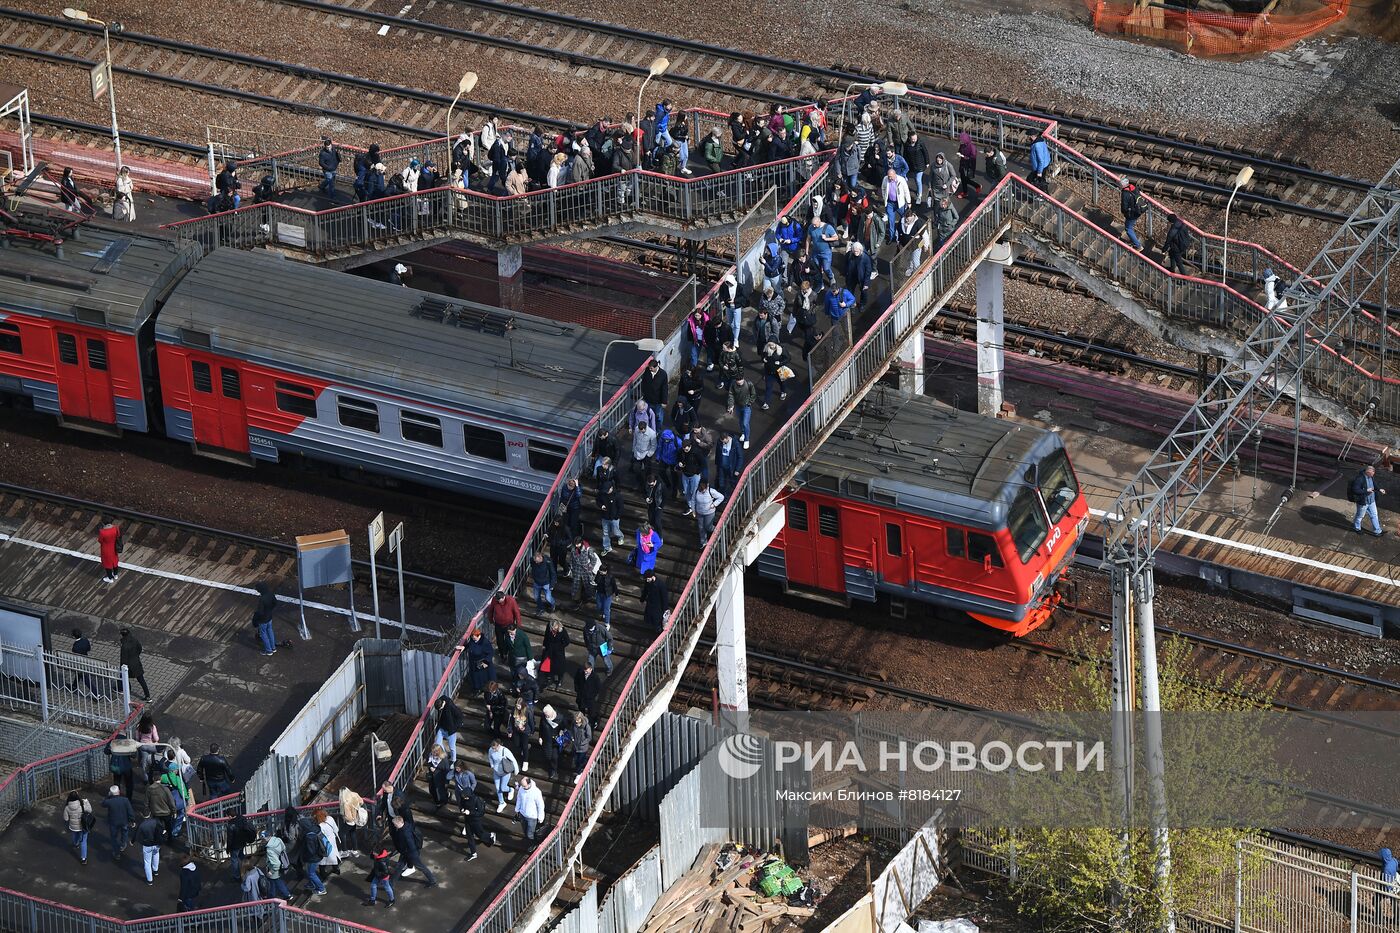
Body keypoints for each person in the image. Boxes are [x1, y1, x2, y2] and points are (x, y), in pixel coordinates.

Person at [460, 787, 497, 860]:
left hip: (476, 821)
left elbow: (481, 813)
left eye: (466, 797)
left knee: (480, 834)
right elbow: (462, 804)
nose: (465, 798)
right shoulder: (463, 799)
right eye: (464, 797)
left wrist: (470, 812)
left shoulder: (476, 800)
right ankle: (473, 853)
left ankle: (490, 835)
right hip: (468, 820)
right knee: (469, 837)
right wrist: (462, 809)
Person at [1350, 465, 1386, 537]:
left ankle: (1378, 531)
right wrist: (1366, 490)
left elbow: (1374, 484)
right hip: (1363, 502)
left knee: (1374, 515)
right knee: (1360, 516)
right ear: (1368, 472)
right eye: (1372, 474)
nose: (1373, 476)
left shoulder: (1371, 477)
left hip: (1371, 501)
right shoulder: (1359, 479)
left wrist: (1379, 489)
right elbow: (1355, 490)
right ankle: (1357, 528)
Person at [101, 785, 135, 863]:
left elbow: (103, 803)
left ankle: (116, 853)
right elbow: (130, 811)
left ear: (111, 793)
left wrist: (108, 796)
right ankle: (123, 844)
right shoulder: (125, 800)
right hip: (124, 821)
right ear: (119, 792)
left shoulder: (109, 801)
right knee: (125, 833)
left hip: (113, 822)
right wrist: (132, 820)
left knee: (114, 837)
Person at [726, 374, 756, 452]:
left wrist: (749, 403)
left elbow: (753, 394)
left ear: (743, 379)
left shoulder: (749, 384)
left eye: (741, 382)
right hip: (738, 406)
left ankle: (747, 439)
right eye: (738, 382)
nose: (739, 383)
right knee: (740, 421)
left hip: (746, 407)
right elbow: (731, 395)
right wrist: (731, 405)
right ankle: (743, 433)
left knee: (745, 423)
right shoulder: (733, 384)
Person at [881, 167, 911, 245]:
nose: (889, 178)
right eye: (888, 176)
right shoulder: (885, 179)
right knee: (891, 221)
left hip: (900, 204)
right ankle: (892, 237)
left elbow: (906, 191)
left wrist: (909, 202)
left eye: (891, 176)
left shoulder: (901, 180)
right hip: (890, 204)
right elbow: (883, 188)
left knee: (904, 219)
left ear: (895, 174)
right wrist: (884, 198)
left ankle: (905, 234)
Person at [488, 590, 521, 659]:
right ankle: (502, 654)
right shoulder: (494, 600)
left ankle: (508, 653)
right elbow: (491, 610)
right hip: (498, 625)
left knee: (508, 640)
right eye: (497, 599)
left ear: (503, 597)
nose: (498, 601)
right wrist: (491, 620)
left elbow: (517, 612)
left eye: (499, 599)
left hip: (509, 625)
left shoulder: (511, 600)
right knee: (500, 641)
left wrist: (518, 625)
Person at [488, 738, 519, 813]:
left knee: (503, 788)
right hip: (496, 772)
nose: (493, 750)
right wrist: (492, 765)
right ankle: (502, 803)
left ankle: (510, 790)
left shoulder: (505, 750)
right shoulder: (491, 750)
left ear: (498, 745)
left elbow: (513, 760)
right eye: (492, 748)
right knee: (498, 788)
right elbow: (490, 757)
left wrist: (516, 770)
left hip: (505, 772)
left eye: (495, 748)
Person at [63, 790, 93, 864]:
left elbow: (66, 818)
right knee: (83, 841)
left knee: (75, 835)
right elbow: (90, 810)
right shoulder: (82, 805)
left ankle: (76, 844)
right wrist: (87, 802)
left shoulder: (67, 807)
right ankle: (83, 858)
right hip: (83, 826)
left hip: (73, 826)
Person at [250, 579, 278, 656]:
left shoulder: (262, 599)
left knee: (263, 634)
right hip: (269, 617)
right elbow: (275, 603)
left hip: (263, 620)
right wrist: (269, 610)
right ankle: (273, 648)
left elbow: (260, 612)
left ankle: (268, 651)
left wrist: (256, 618)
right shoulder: (271, 593)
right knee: (270, 631)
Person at [761, 341, 792, 410]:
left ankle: (783, 392)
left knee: (782, 383)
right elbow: (762, 356)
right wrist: (763, 359)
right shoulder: (766, 349)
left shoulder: (781, 349)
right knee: (768, 387)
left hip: (779, 371)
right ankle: (766, 403)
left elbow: (788, 358)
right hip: (769, 372)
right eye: (769, 345)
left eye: (772, 345)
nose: (771, 346)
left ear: (775, 343)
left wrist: (780, 362)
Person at [570, 538, 601, 605]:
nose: (576, 545)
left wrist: (589, 568)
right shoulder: (573, 549)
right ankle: (577, 600)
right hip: (577, 571)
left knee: (587, 585)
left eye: (577, 544)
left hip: (586, 572)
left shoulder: (588, 550)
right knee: (576, 586)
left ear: (581, 543)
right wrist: (572, 568)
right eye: (575, 544)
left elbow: (594, 559)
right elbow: (571, 559)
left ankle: (587, 597)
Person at [262, 830, 292, 899]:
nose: (262, 840)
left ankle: (272, 897)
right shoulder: (278, 839)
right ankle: (287, 895)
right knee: (278, 881)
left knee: (272, 883)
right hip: (282, 863)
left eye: (263, 838)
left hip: (273, 868)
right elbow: (284, 848)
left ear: (266, 838)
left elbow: (276, 864)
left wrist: (271, 872)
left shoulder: (269, 850)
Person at [536, 703, 563, 780]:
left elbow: (564, 727)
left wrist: (562, 732)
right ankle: (551, 765)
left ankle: (553, 770)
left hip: (556, 741)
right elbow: (541, 727)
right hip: (547, 740)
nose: (546, 717)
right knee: (548, 756)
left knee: (554, 757)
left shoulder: (560, 718)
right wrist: (540, 737)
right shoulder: (544, 718)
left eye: (547, 715)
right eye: (545, 715)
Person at [694, 480, 725, 544]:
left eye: (704, 489)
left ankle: (717, 531)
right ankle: (703, 542)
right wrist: (693, 510)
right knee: (701, 527)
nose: (702, 491)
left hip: (709, 513)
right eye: (701, 489)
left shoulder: (711, 491)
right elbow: (693, 500)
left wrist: (714, 504)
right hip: (699, 512)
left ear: (707, 486)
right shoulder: (696, 490)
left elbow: (721, 497)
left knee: (708, 527)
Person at [514, 776, 545, 842]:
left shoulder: (536, 792)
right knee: (525, 830)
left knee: (530, 833)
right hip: (522, 814)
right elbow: (519, 799)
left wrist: (540, 817)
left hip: (532, 817)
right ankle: (529, 841)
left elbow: (540, 805)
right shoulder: (521, 788)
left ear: (529, 784)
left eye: (524, 786)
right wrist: (517, 809)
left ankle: (532, 843)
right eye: (522, 786)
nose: (523, 787)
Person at [846, 241, 876, 309]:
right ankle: (852, 303)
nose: (855, 253)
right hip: (852, 277)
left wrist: (866, 283)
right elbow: (845, 264)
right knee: (850, 291)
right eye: (854, 251)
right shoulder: (849, 255)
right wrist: (846, 273)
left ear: (860, 250)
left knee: (863, 292)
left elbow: (868, 271)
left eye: (857, 251)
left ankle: (863, 303)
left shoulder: (865, 258)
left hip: (862, 278)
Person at [227, 811, 255, 881]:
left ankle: (236, 876)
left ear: (230, 816)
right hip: (242, 842)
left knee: (234, 860)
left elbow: (230, 839)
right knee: (241, 855)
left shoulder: (231, 825)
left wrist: (228, 848)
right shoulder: (242, 818)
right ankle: (248, 868)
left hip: (235, 845)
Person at [466, 626, 495, 693]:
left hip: (482, 664)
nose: (473, 638)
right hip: (474, 663)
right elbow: (469, 645)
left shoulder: (485, 642)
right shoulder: (473, 640)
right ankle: (477, 689)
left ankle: (483, 689)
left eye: (474, 637)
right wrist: (464, 647)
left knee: (482, 678)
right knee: (475, 678)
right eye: (472, 637)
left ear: (479, 636)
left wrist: (486, 662)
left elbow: (490, 652)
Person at [138, 812, 163, 885]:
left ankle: (150, 880)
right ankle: (155, 870)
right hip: (156, 843)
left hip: (147, 845)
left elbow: (138, 836)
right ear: (150, 814)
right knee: (156, 854)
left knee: (147, 862)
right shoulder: (156, 821)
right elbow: (161, 831)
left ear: (142, 814)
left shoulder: (142, 825)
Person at [575, 661, 603, 727]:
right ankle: (582, 722)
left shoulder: (595, 677)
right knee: (581, 710)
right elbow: (576, 681)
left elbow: (598, 687)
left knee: (592, 712)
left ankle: (593, 723)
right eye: (584, 670)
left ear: (591, 669)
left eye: (586, 670)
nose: (585, 672)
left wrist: (592, 695)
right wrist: (577, 690)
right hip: (581, 696)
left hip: (590, 698)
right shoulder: (580, 673)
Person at [598, 483, 623, 555]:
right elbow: (598, 501)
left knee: (615, 531)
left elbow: (621, 507)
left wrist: (617, 516)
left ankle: (620, 536)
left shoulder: (617, 496)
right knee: (605, 533)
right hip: (605, 517)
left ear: (611, 488)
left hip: (614, 518)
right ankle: (607, 547)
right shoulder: (602, 493)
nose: (606, 492)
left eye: (607, 490)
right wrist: (601, 506)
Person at [1119, 177, 1144, 250]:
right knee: (1130, 226)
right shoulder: (1134, 188)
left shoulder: (1125, 193)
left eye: (1120, 184)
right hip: (1137, 211)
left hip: (1131, 213)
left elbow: (1124, 207)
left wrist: (1124, 212)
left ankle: (1138, 246)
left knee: (1128, 228)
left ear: (1123, 185)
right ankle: (1134, 241)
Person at [425, 743, 450, 807]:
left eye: (434, 752)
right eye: (432, 751)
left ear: (438, 752)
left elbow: (447, 771)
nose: (433, 753)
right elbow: (429, 762)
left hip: (440, 778)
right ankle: (437, 800)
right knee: (432, 789)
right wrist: (430, 767)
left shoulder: (444, 760)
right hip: (432, 777)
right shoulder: (430, 756)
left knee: (440, 791)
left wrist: (446, 782)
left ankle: (442, 801)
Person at [97, 517, 121, 584]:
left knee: (107, 564)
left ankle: (110, 578)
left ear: (103, 523)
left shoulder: (102, 532)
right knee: (115, 561)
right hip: (114, 547)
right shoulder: (116, 528)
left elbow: (100, 540)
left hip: (106, 549)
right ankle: (115, 575)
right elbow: (118, 535)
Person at [594, 564, 618, 630]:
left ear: (606, 571)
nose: (600, 572)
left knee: (606, 610)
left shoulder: (611, 577)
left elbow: (614, 586)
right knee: (599, 606)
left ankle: (607, 623)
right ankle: (603, 613)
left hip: (607, 595)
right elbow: (596, 581)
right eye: (600, 570)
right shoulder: (599, 573)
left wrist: (616, 595)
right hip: (599, 593)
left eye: (602, 571)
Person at [1379, 847, 1398, 922]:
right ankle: (1397, 918)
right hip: (1394, 884)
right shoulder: (1394, 861)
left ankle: (1379, 918)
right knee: (1393, 901)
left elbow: (1386, 882)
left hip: (1386, 888)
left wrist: (1387, 894)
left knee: (1375, 901)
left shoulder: (1386, 869)